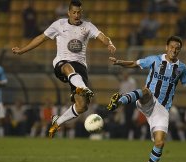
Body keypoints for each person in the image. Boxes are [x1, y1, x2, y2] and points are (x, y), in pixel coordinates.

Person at [106, 35, 186, 162]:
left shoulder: (181, 68)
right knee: (146, 91)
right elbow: (135, 63)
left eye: (177, 48)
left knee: (159, 143)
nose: (174, 50)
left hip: (162, 109)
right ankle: (118, 102)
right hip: (149, 100)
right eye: (172, 47)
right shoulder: (155, 60)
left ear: (180, 50)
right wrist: (118, 62)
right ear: (166, 47)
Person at [12, 0, 116, 138]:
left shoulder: (88, 26)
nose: (76, 15)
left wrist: (109, 43)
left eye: (79, 12)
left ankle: (58, 121)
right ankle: (82, 88)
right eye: (74, 12)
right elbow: (41, 38)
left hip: (80, 67)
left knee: (82, 106)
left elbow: (102, 36)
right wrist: (22, 50)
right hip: (62, 63)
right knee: (68, 67)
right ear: (68, 12)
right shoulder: (58, 25)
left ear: (81, 12)